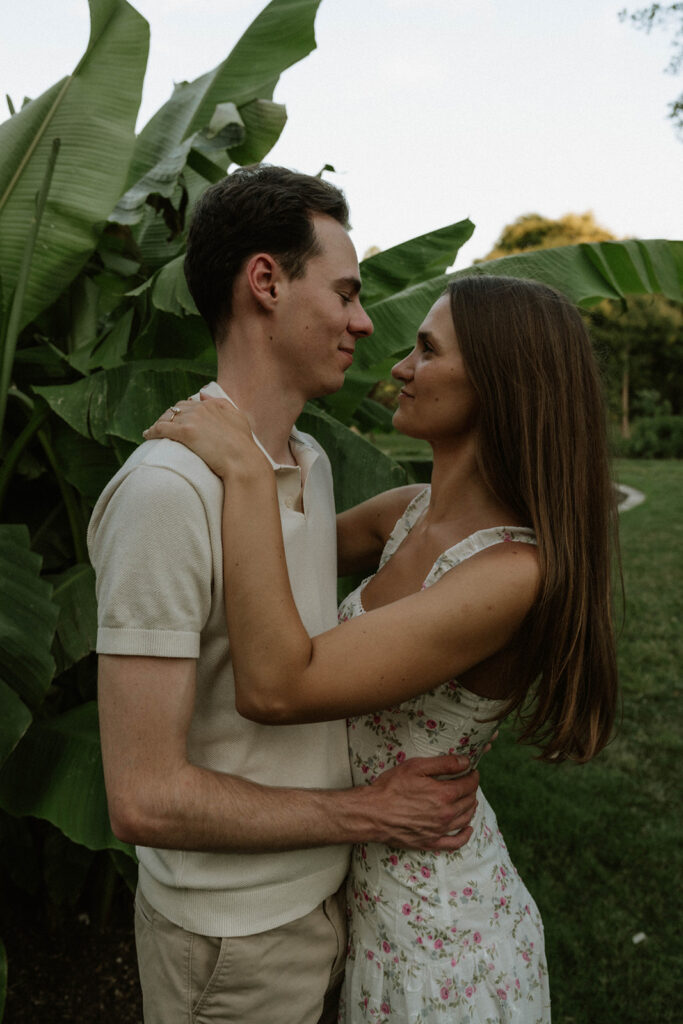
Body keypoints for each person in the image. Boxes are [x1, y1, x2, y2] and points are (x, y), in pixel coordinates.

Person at [144, 273, 620, 1022]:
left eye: (426, 350)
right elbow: (264, 567)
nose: (398, 366)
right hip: (357, 890)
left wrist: (241, 468)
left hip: (437, 939)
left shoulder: (507, 574)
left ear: (499, 385)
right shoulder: (406, 512)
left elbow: (277, 686)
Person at [87, 165, 483, 1024]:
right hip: (231, 943)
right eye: (344, 292)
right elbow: (143, 796)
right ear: (265, 282)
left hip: (321, 908)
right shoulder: (168, 491)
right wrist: (366, 811)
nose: (363, 321)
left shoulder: (310, 462)